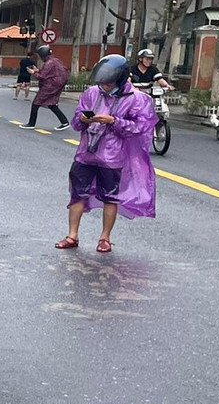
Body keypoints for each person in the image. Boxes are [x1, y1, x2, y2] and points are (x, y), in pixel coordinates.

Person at [55, 54, 157, 254]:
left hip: (112, 157)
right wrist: (84, 119)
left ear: (120, 79)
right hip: (85, 154)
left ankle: (105, 238)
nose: (105, 87)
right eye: (102, 83)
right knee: (77, 195)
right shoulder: (92, 93)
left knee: (110, 197)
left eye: (109, 84)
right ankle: (72, 235)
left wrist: (113, 121)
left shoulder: (137, 99)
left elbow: (140, 127)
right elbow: (76, 122)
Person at [27, 44, 70, 129]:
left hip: (51, 85)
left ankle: (31, 124)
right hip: (59, 84)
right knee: (51, 103)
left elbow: (42, 76)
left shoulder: (49, 63)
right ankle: (64, 122)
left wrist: (33, 72)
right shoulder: (55, 60)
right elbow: (48, 72)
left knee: (36, 102)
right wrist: (38, 70)